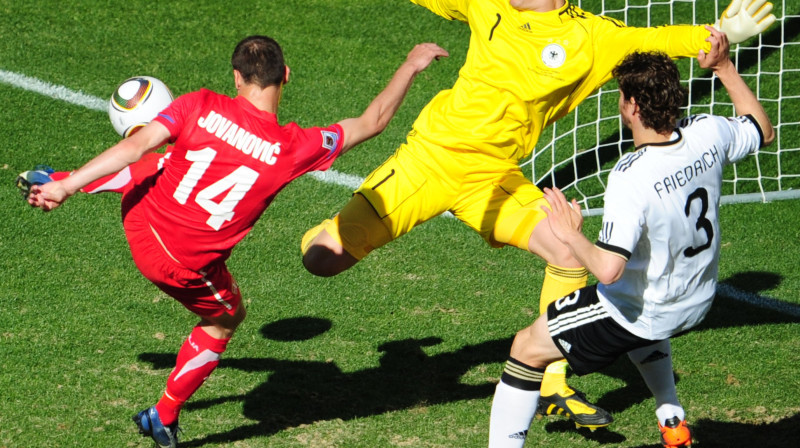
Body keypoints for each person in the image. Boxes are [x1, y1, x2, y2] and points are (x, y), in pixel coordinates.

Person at [299, 0, 776, 429]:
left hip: (494, 179)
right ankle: (326, 231)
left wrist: (719, 34)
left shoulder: (590, 36)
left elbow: (652, 39)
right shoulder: (485, 6)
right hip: (428, 164)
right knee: (320, 260)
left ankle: (551, 382)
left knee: (567, 248)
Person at [24, 35, 448, 448]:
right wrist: (411, 65)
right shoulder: (292, 148)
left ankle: (55, 180)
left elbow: (136, 147)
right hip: (180, 263)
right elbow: (372, 122)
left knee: (167, 159)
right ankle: (163, 415)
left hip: (139, 219)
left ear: (236, 77)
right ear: (286, 75)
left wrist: (69, 186)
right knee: (226, 317)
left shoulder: (198, 103)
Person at [487, 26, 775, 448]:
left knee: (526, 347)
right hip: (698, 299)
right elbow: (762, 130)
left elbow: (606, 270)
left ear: (633, 105)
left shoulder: (630, 176)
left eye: (622, 97)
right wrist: (726, 67)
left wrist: (572, 235)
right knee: (640, 303)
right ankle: (673, 422)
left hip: (651, 310)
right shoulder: (708, 132)